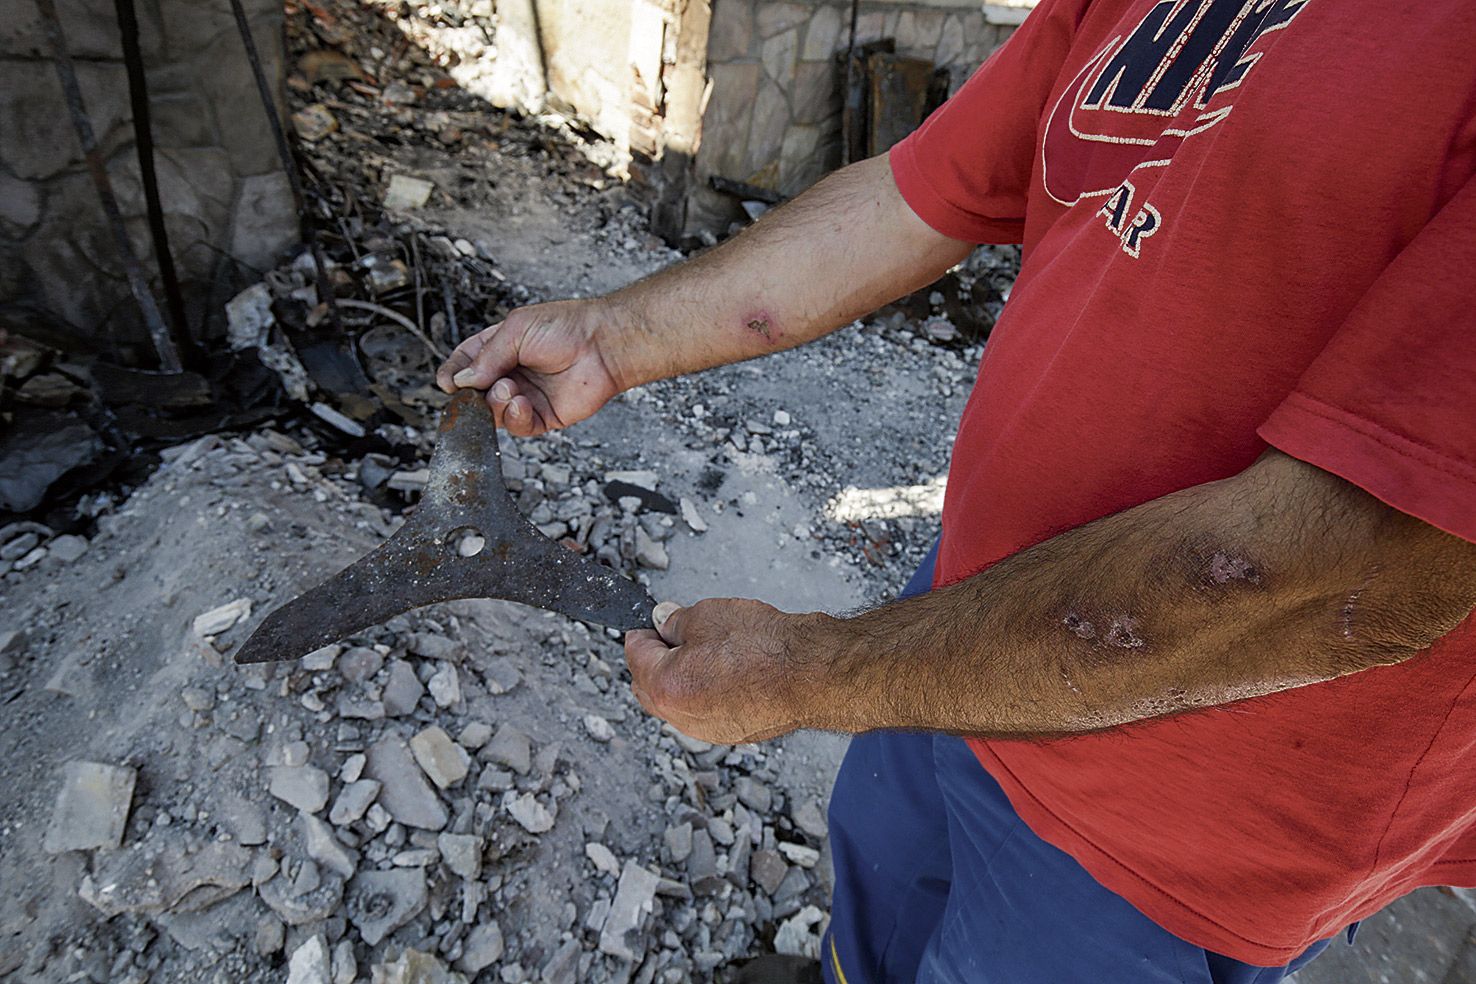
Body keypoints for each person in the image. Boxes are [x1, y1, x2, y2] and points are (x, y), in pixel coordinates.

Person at [437, 0, 1476, 979]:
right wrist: (613, 338)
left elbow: (1342, 566)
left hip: (1189, 814)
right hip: (957, 626)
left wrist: (813, 671)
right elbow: (917, 193)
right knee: (876, 918)